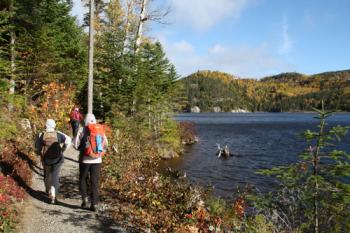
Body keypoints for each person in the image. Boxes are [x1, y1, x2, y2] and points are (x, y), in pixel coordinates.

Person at [74, 113, 108, 211]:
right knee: (95, 182)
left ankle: (85, 200)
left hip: (85, 159)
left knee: (83, 179)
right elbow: (106, 144)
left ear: (85, 120)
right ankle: (95, 204)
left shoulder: (82, 129)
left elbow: (76, 144)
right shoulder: (100, 129)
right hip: (97, 159)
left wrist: (82, 149)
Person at [36, 119, 71, 204]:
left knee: (47, 175)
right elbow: (69, 140)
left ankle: (48, 191)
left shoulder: (41, 134)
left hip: (46, 159)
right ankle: (54, 196)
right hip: (57, 159)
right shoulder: (58, 134)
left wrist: (40, 153)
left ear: (46, 125)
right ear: (54, 125)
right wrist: (62, 150)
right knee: (55, 176)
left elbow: (37, 147)